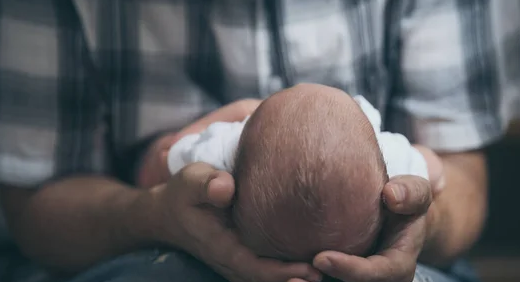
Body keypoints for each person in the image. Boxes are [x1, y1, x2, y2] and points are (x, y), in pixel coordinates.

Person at [0, 0, 520, 282]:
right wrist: (151, 214)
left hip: (393, 271)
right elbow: (43, 208)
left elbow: (454, 186)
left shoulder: (220, 149)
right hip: (139, 258)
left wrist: (417, 223)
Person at [146, 84, 431, 262]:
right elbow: (432, 170)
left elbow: (168, 156)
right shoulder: (389, 155)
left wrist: (240, 110)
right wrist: (430, 165)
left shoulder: (223, 150)